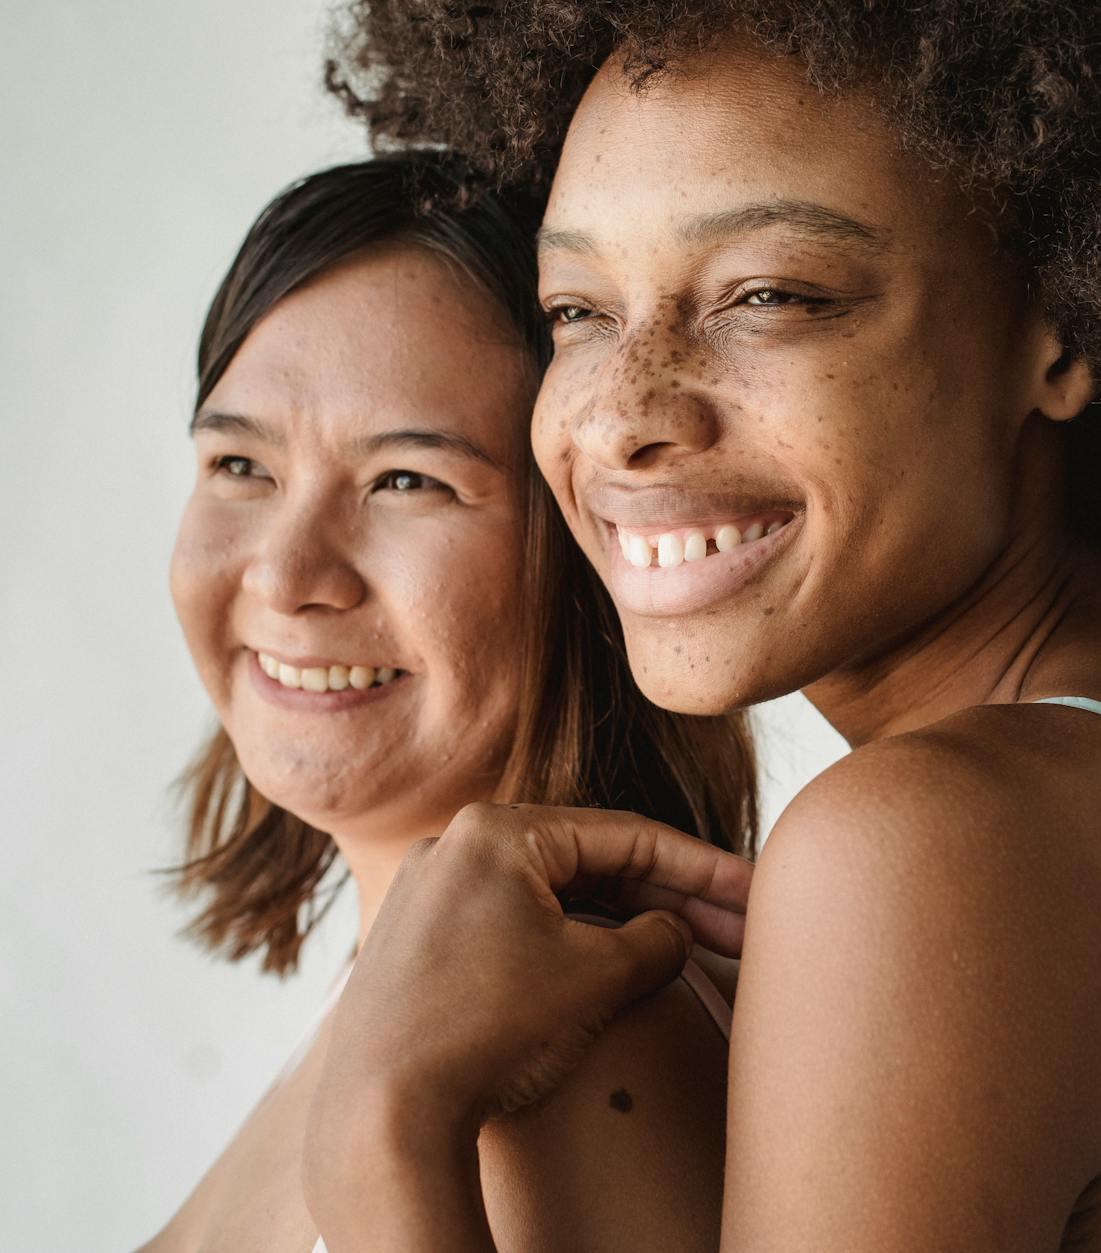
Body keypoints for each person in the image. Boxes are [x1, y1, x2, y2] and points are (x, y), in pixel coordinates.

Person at [311, 5, 1101, 1249]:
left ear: (1065, 320)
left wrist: (380, 1123)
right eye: (578, 310)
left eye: (770, 295)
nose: (620, 414)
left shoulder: (933, 838)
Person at [142, 154, 759, 1253]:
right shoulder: (410, 995)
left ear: (587, 547)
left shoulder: (585, 1058)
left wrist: (382, 1135)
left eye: (406, 482)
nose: (286, 577)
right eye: (240, 464)